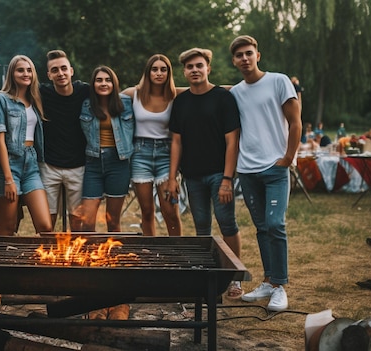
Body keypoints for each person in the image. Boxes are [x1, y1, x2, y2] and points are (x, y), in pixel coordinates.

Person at [229, 35, 302, 312]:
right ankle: (268, 282)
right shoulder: (235, 92)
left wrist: (288, 158)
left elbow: (295, 122)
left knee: (275, 224)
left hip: (275, 168)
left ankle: (280, 286)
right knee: (261, 228)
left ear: (257, 55)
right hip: (247, 170)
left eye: (249, 53)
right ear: (234, 61)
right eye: (239, 55)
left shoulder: (279, 81)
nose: (245, 58)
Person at [166, 47, 243, 299]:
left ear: (208, 68)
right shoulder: (181, 101)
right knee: (201, 227)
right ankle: (208, 277)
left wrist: (227, 179)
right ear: (184, 72)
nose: (195, 70)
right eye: (190, 67)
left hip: (220, 174)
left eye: (199, 65)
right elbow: (176, 141)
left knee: (227, 224)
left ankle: (235, 279)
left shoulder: (223, 98)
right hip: (193, 176)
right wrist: (172, 177)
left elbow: (233, 141)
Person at [121, 54, 182, 236]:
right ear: (148, 73)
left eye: (163, 69)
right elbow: (107, 97)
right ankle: (152, 250)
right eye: (154, 69)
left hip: (166, 154)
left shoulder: (174, 94)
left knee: (170, 211)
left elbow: (204, 89)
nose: (159, 73)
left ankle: (177, 250)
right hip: (140, 154)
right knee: (147, 211)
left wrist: (235, 89)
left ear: (168, 73)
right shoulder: (134, 93)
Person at [0, 55, 52, 235]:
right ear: (12, 73)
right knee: (8, 227)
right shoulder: (1, 99)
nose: (25, 74)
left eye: (29, 70)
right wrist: (8, 179)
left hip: (31, 164)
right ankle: (1, 261)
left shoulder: (34, 101)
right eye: (20, 70)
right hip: (8, 165)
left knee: (45, 227)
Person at [39, 50, 90, 231]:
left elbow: (115, 93)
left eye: (63, 69)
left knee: (77, 221)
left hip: (78, 165)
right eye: (55, 70)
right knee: (47, 221)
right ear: (49, 75)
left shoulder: (85, 90)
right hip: (49, 166)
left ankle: (74, 258)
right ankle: (45, 258)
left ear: (71, 70)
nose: (60, 73)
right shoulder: (41, 92)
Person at [79, 66, 134, 232]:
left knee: (113, 222)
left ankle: (114, 257)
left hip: (119, 163)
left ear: (114, 83)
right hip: (93, 163)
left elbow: (148, 89)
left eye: (108, 80)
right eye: (99, 80)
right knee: (87, 223)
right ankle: (88, 257)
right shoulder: (86, 104)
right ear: (93, 84)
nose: (104, 83)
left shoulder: (126, 102)